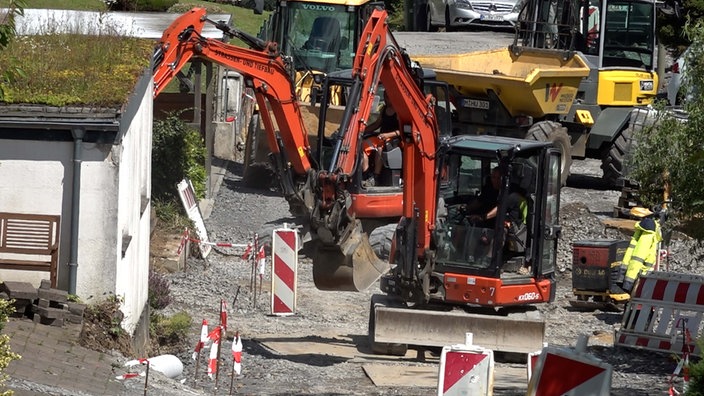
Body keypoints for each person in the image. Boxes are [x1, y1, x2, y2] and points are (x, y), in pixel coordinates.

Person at [610, 209, 662, 294]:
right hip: (641, 275)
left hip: (638, 274)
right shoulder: (648, 232)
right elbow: (638, 257)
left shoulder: (643, 231)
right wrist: (629, 284)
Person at [361, 90, 401, 187]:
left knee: (380, 147)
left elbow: (401, 131)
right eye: (385, 97)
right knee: (362, 146)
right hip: (380, 137)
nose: (386, 99)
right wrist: (363, 130)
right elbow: (377, 124)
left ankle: (376, 177)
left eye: (387, 97)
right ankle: (366, 175)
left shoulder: (399, 111)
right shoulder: (384, 109)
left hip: (393, 139)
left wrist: (387, 135)